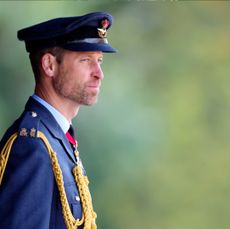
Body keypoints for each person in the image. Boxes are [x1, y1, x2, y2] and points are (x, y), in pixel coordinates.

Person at [0, 12, 116, 229]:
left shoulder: (57, 138)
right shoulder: (32, 146)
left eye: (99, 60)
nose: (99, 73)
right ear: (49, 65)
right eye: (86, 60)